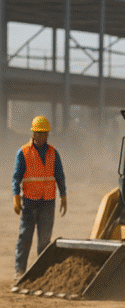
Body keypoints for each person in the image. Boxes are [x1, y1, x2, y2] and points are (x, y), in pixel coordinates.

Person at [12, 115, 67, 279]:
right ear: (33, 133)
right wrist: (16, 197)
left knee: (44, 241)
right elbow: (16, 178)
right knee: (25, 238)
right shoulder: (23, 152)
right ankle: (19, 272)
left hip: (48, 203)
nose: (42, 136)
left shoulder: (53, 153)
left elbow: (60, 176)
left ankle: (42, 274)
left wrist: (63, 195)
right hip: (29, 202)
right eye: (40, 133)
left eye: (45, 133)